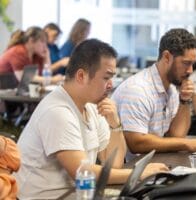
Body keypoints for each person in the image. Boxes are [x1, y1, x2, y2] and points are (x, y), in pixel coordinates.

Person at [14, 39, 167, 199]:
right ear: (81, 76)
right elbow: (82, 172)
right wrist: (139, 173)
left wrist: (115, 124)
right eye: (106, 78)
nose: (110, 85)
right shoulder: (58, 112)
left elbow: (114, 164)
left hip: (78, 194)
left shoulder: (92, 105)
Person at [112, 28, 196, 160]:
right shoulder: (137, 90)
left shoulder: (171, 89)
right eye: (186, 63)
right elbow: (136, 143)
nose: (190, 71)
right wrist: (188, 144)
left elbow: (176, 135)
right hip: (129, 171)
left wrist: (185, 100)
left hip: (154, 163)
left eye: (192, 64)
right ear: (166, 57)